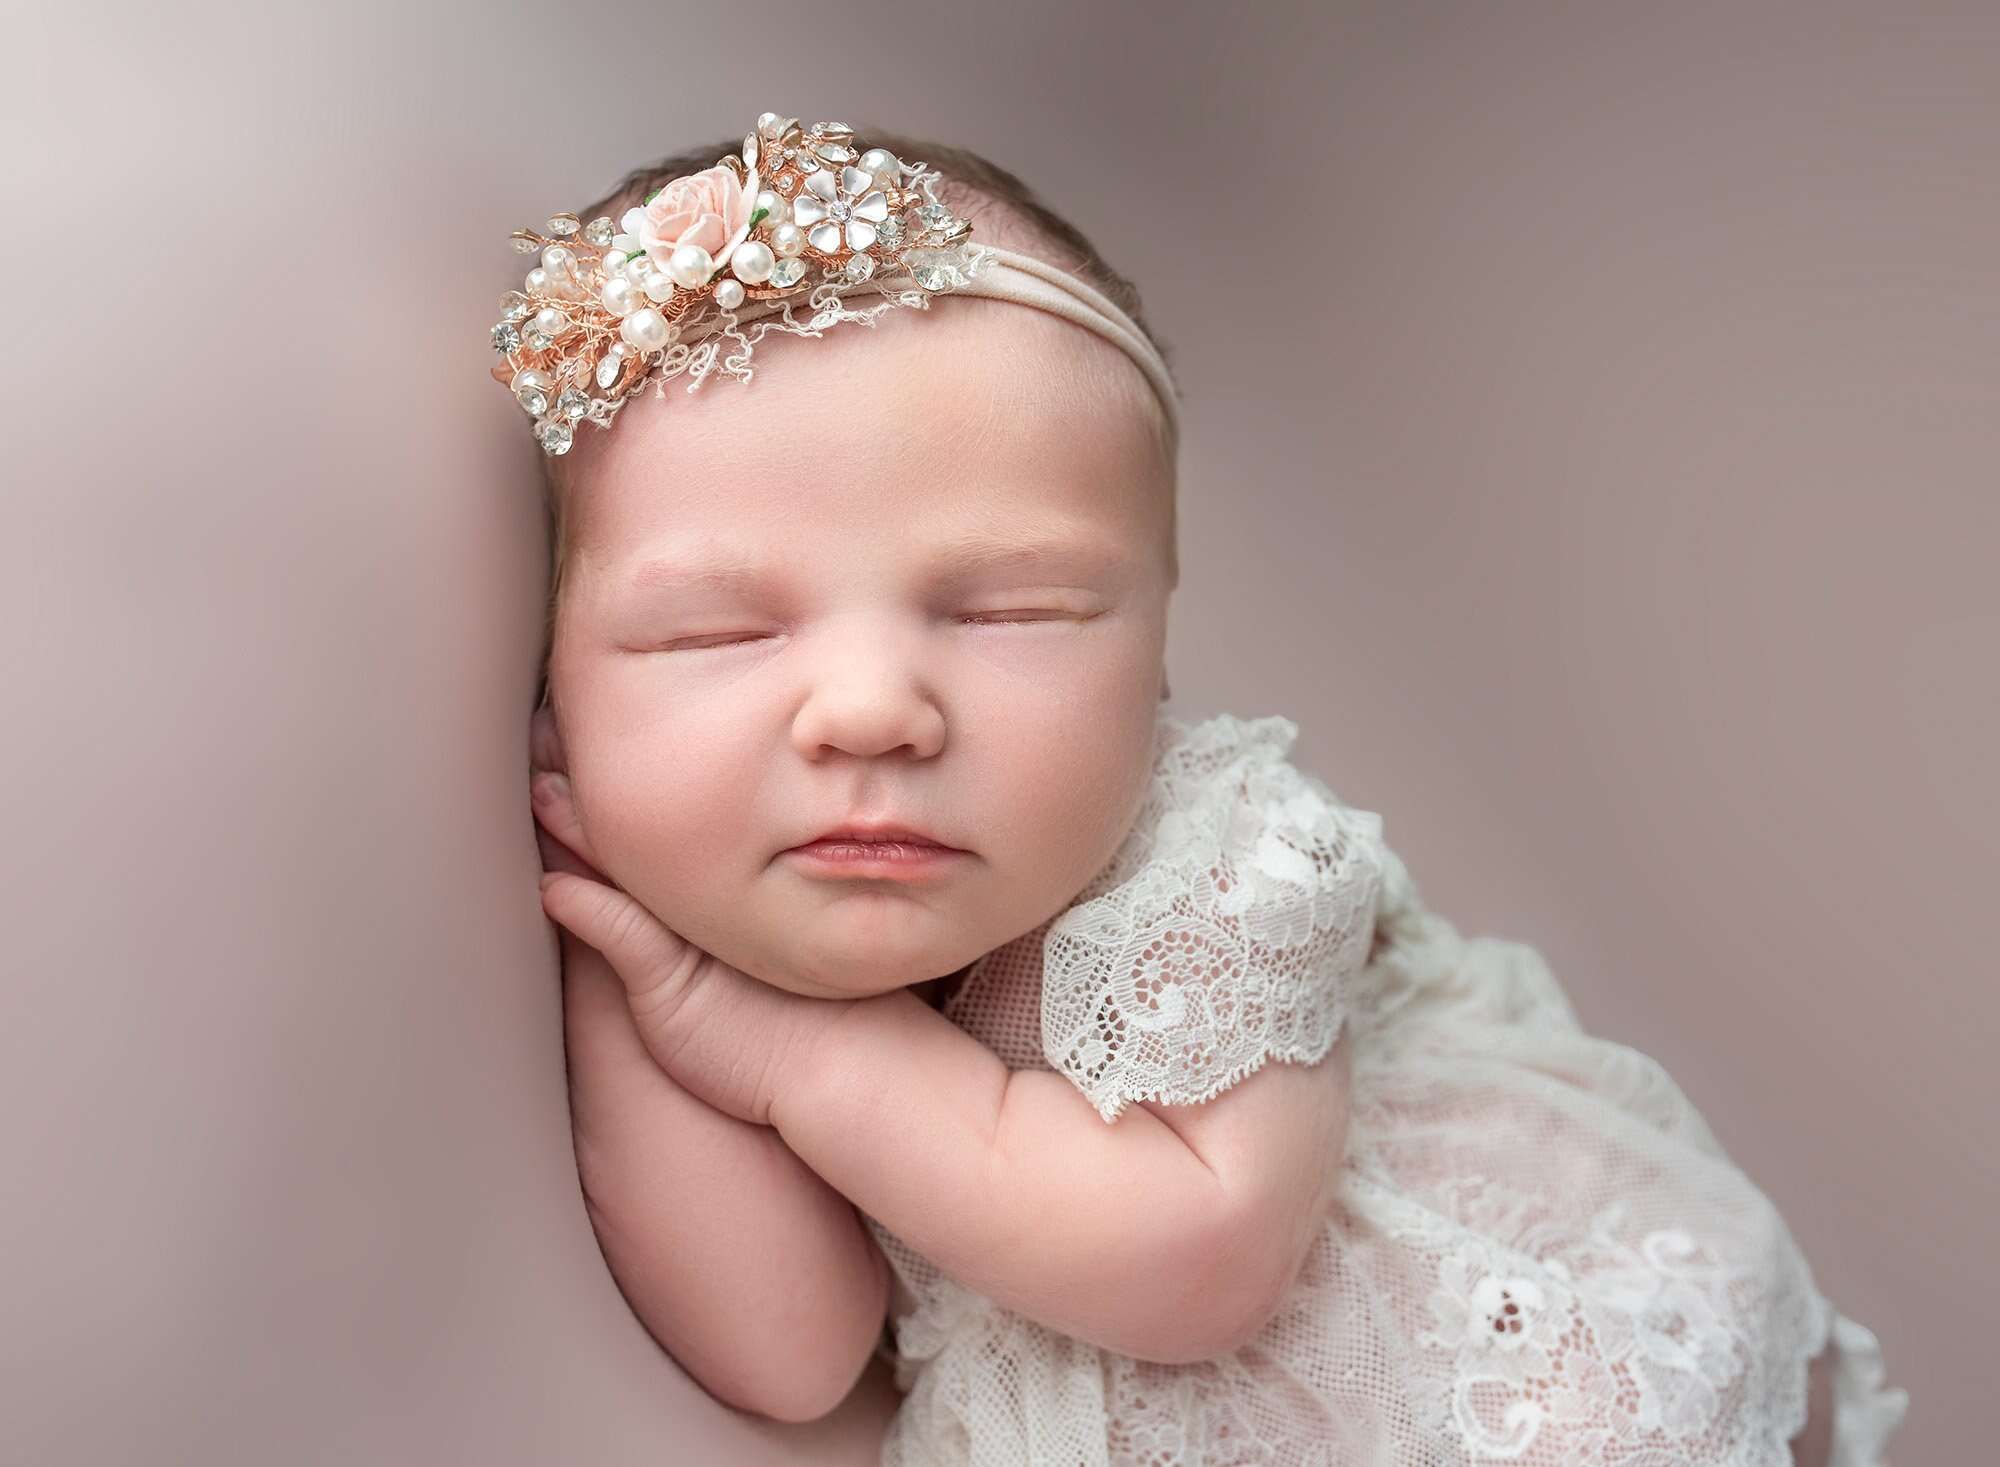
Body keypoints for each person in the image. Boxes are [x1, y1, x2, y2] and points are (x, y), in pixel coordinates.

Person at [509, 112, 1909, 1465]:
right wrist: (633, 974)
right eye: (717, 633)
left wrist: (806, 1059)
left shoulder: (1223, 860)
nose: (874, 708)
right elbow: (787, 1351)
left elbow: (1199, 1260)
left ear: (1158, 646)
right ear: (559, 678)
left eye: (1014, 612)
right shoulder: (732, 968)